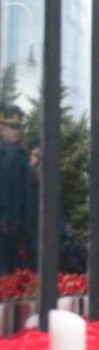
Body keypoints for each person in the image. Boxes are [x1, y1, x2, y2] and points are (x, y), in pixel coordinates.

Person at [0, 103, 34, 274]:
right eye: (11, 127)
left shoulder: (23, 154)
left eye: (18, 127)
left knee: (17, 276)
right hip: (4, 224)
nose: (16, 131)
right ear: (1, 129)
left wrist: (26, 221)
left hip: (19, 226)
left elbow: (27, 193)